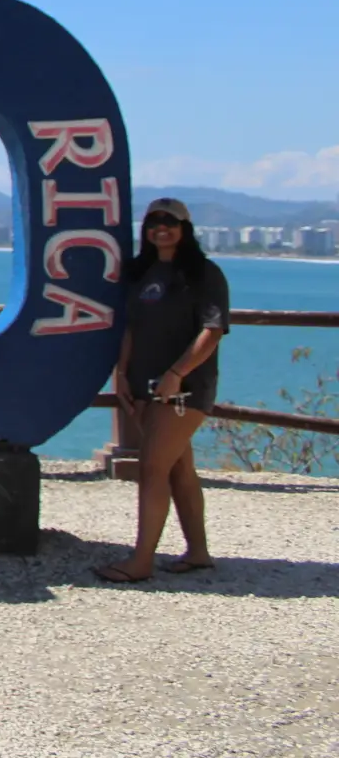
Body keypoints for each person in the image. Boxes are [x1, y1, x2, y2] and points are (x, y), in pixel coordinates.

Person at [93, 197, 231, 583]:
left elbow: (213, 331)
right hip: (144, 386)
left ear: (185, 228)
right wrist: (122, 375)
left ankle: (140, 561)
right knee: (179, 469)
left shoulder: (204, 274)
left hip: (183, 391)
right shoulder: (142, 273)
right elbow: (131, 328)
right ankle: (198, 552)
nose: (161, 228)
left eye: (170, 221)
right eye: (153, 222)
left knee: (152, 467)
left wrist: (176, 373)